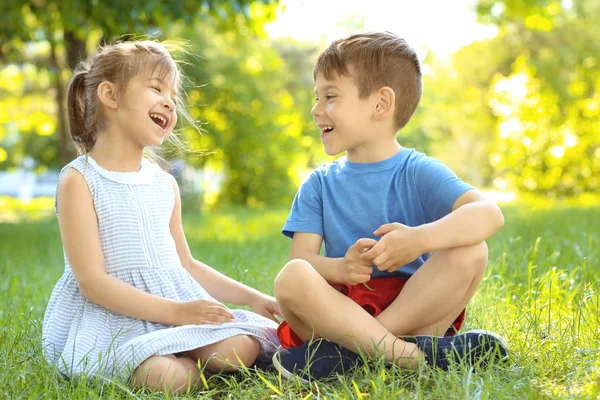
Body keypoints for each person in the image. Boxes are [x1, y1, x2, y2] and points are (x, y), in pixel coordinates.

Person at [42, 40, 280, 394]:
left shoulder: (164, 184)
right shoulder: (80, 180)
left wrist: (251, 298)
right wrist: (179, 314)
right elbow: (92, 283)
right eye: (156, 88)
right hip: (114, 317)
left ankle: (190, 365)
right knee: (160, 376)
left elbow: (187, 264)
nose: (170, 101)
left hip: (176, 309)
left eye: (173, 93)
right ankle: (192, 372)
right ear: (110, 95)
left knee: (241, 347)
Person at [272, 32, 509, 382]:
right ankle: (411, 358)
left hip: (412, 310)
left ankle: (347, 356)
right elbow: (302, 260)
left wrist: (419, 240)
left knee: (471, 249)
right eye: (317, 96)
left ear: (381, 104)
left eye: (331, 96)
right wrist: (341, 268)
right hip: (338, 313)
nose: (316, 108)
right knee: (291, 277)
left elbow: (489, 214)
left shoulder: (418, 171)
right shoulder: (318, 184)